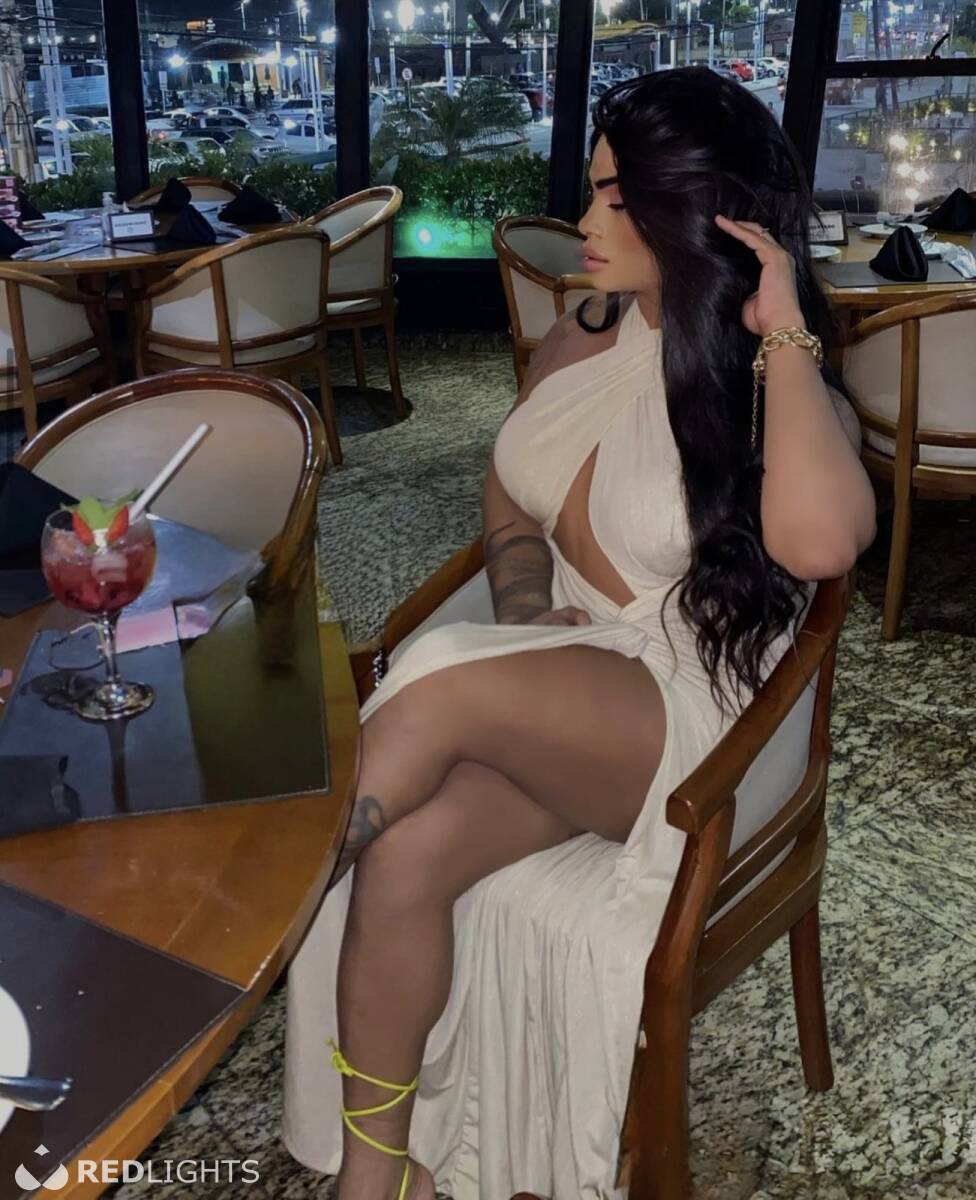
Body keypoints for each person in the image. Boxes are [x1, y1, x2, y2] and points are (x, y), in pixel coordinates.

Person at [282, 67, 876, 1200]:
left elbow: (820, 544)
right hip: (567, 687)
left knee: (441, 673)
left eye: (617, 197)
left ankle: (267, 890)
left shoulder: (763, 375)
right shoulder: (583, 330)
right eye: (593, 190)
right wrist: (521, 615)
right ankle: (377, 1175)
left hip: (686, 717)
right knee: (406, 857)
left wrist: (785, 329)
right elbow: (513, 487)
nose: (587, 221)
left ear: (704, 212)